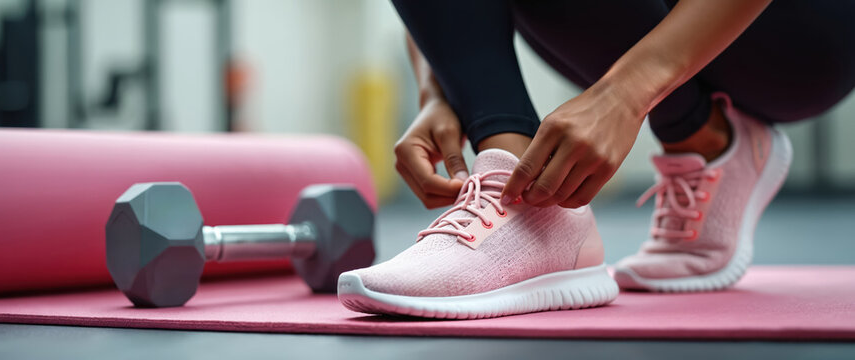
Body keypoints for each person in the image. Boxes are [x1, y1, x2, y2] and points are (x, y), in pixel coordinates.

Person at [336, 0, 855, 318]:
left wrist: (626, 95)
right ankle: (518, 194)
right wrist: (440, 91)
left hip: (800, 34)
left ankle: (702, 143)